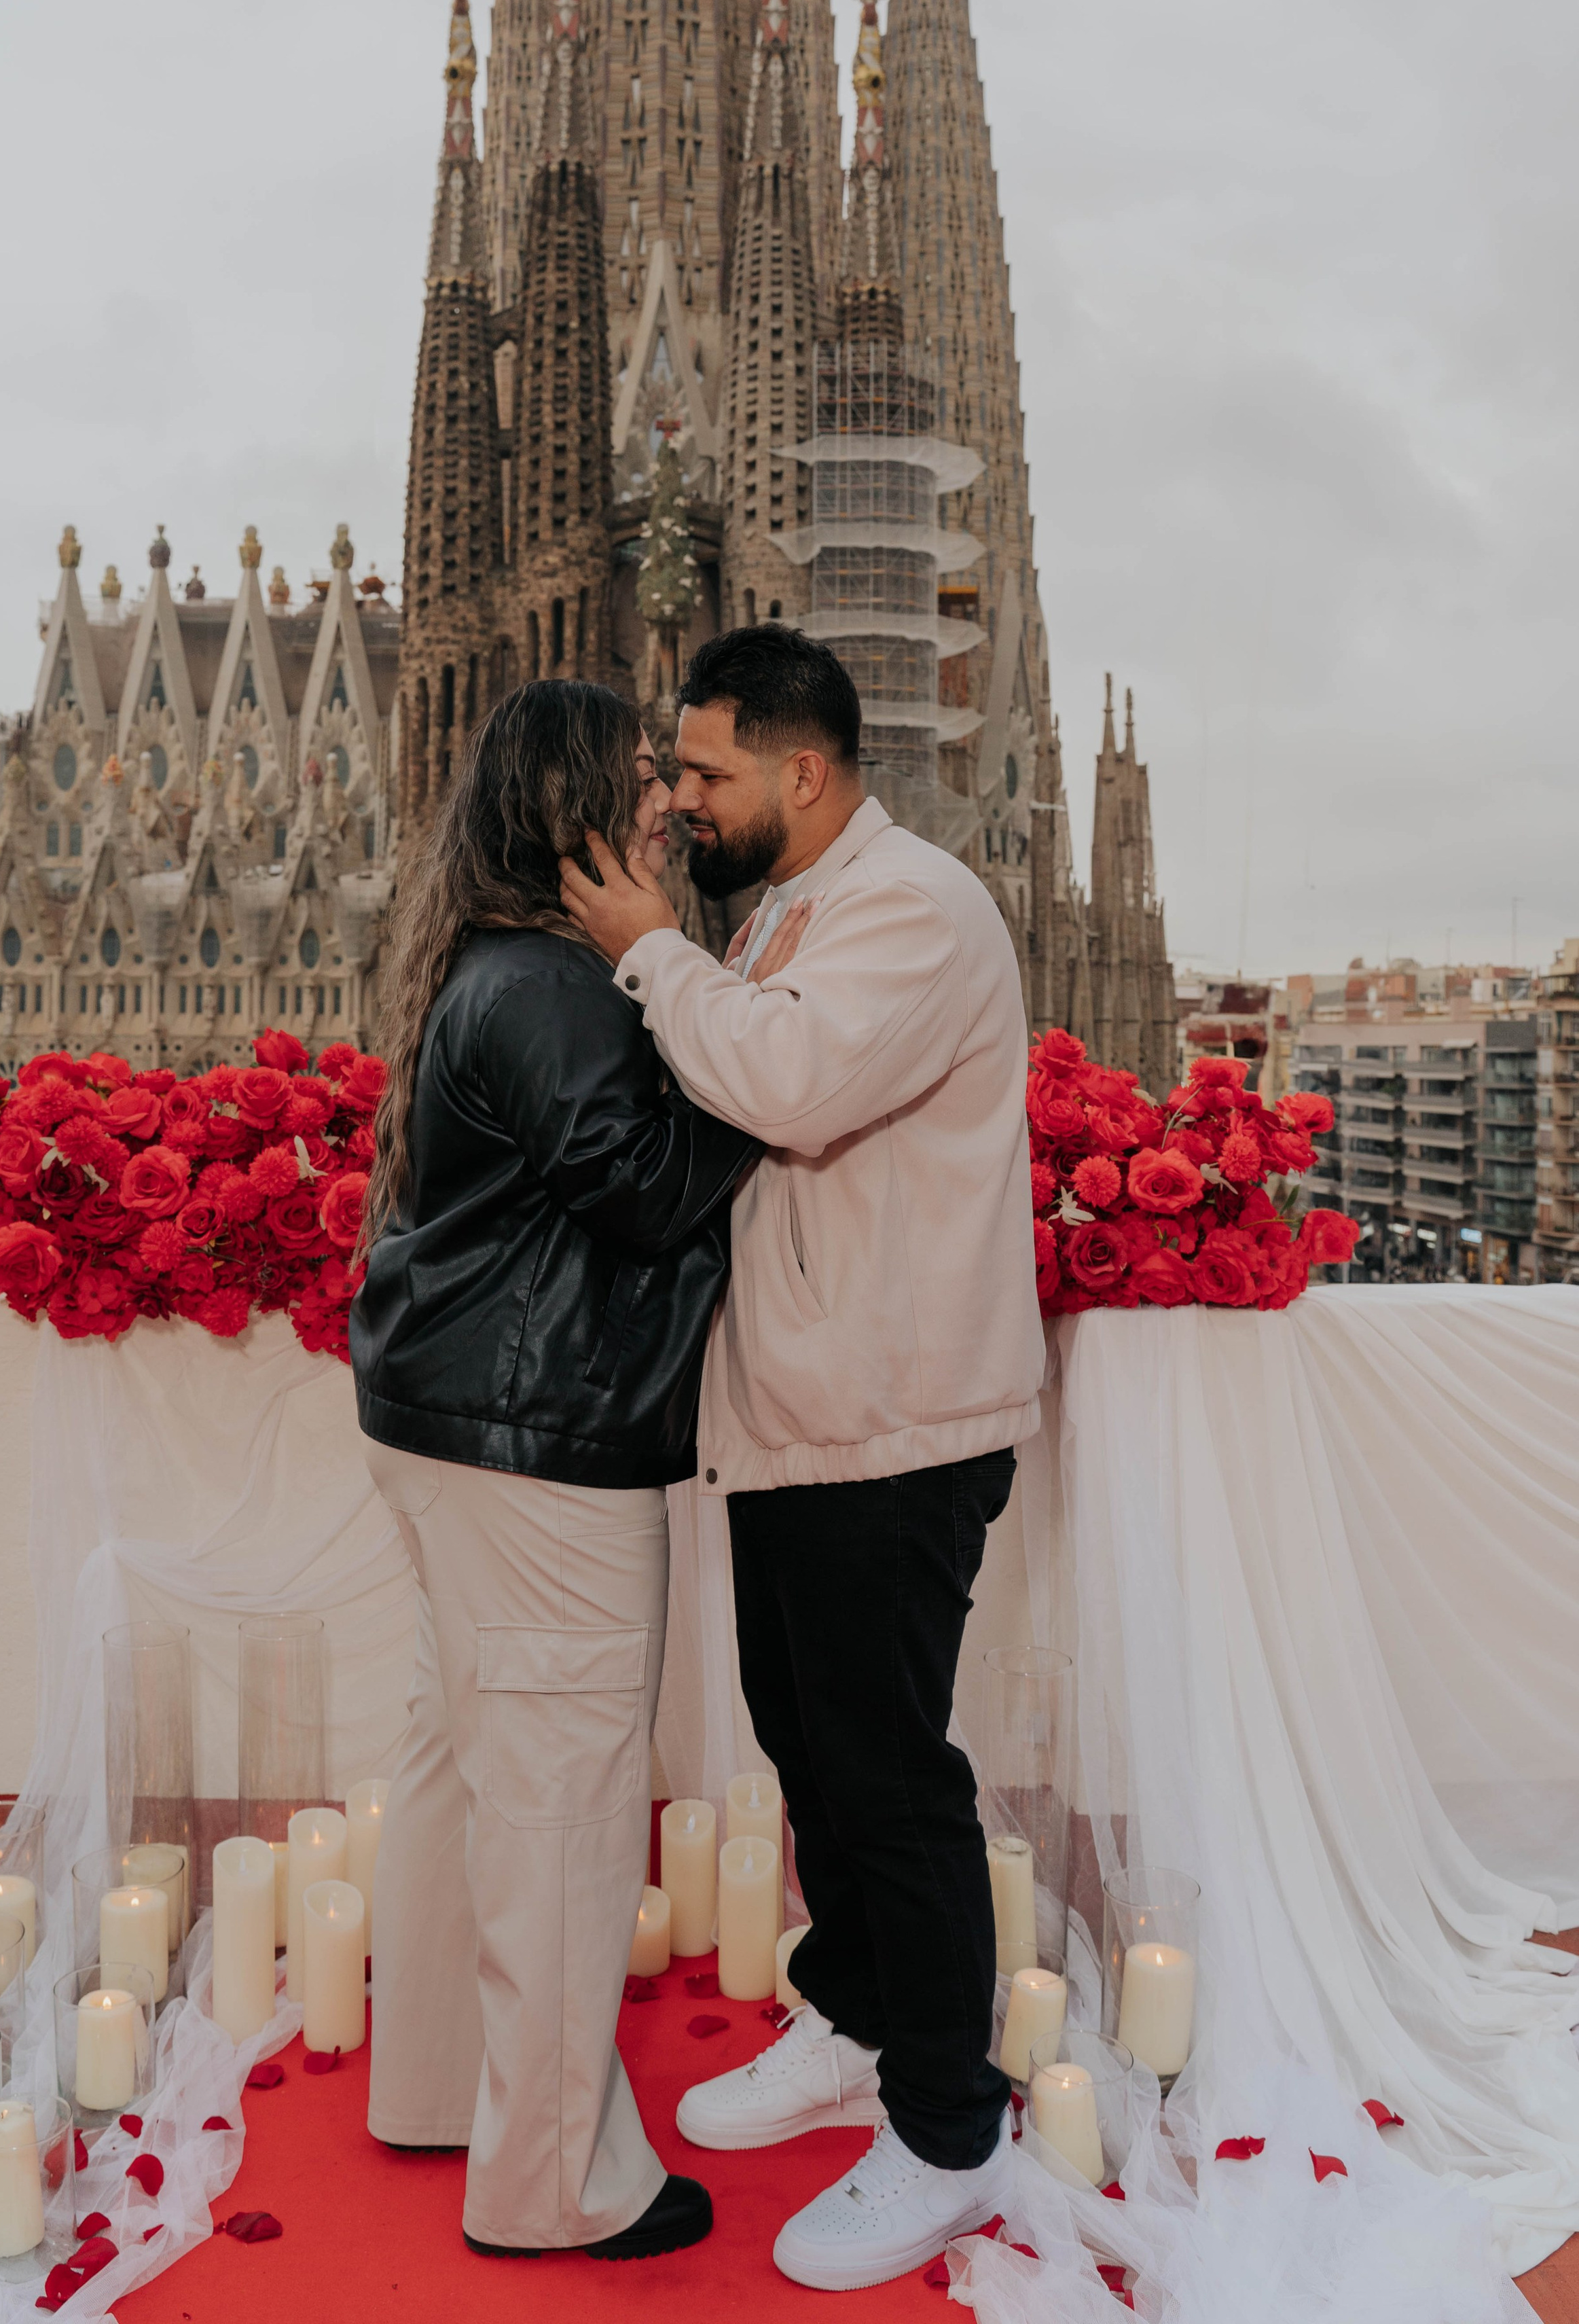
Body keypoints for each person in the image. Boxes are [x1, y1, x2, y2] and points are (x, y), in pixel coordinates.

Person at [560, 627, 1046, 2293]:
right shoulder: (789, 909)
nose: (680, 801)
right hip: (805, 1416)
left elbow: (787, 1081)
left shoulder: (909, 907)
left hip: (892, 1424)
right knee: (808, 1741)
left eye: (701, 772)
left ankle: (943, 2129)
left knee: (885, 1767)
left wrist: (639, 951)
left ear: (804, 771)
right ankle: (849, 2017)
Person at [351, 680, 801, 2263]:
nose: (668, 807)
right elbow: (655, 1188)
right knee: (557, 1804)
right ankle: (554, 2181)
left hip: (459, 1424)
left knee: (463, 1769)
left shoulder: (493, 965)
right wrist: (765, 1057)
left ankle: (433, 2090)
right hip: (539, 1441)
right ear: (572, 815)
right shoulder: (551, 984)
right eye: (636, 781)